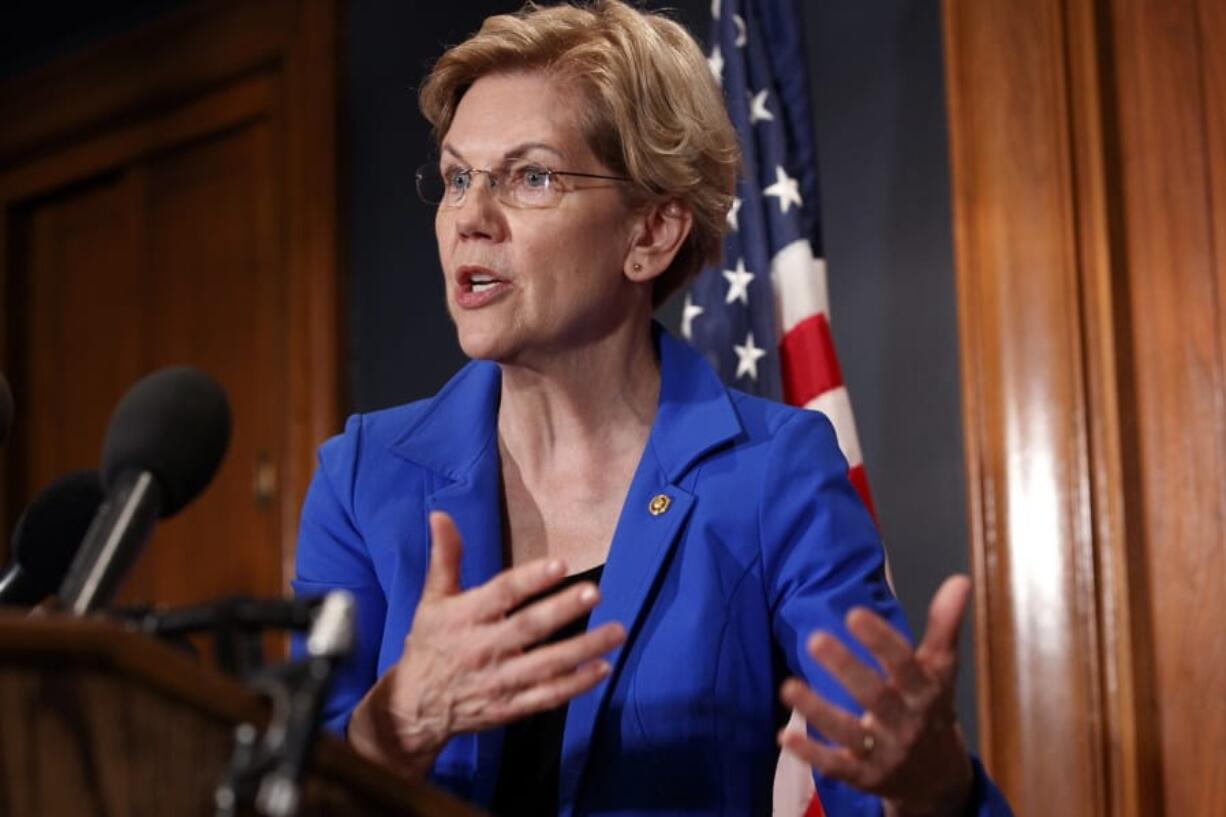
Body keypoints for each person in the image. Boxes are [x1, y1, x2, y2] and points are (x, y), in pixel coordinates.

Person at [292, 2, 1013, 815]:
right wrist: (394, 723)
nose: (470, 218)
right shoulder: (361, 479)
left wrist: (934, 788)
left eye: (530, 177)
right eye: (458, 177)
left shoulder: (774, 474)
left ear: (653, 231)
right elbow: (282, 790)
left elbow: (871, 764)